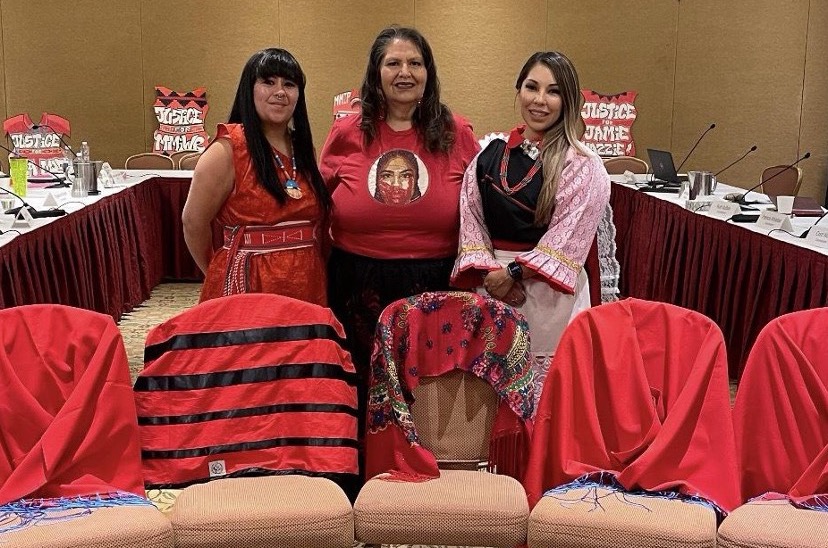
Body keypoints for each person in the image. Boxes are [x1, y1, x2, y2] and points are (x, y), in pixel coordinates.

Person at [318, 25, 480, 450]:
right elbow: (318, 204)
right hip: (357, 279)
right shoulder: (347, 132)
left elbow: (479, 210)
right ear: (375, 74)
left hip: (435, 280)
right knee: (358, 378)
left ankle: (428, 464)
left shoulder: (456, 131)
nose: (404, 72)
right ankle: (360, 467)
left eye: (415, 62)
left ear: (429, 72)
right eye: (393, 63)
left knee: (428, 381)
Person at [451, 51, 610, 407]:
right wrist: (492, 273)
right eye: (531, 87)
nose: (539, 100)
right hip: (491, 287)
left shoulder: (583, 164)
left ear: (568, 100)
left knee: (550, 402)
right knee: (491, 398)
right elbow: (470, 215)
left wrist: (513, 273)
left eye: (553, 92)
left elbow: (568, 238)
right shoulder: (489, 153)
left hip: (550, 298)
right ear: (518, 89)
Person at [182, 48, 330, 305]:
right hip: (248, 286)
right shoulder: (228, 149)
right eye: (268, 82)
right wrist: (218, 270)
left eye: (290, 84)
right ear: (249, 89)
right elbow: (193, 222)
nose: (280, 92)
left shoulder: (304, 149)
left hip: (307, 284)